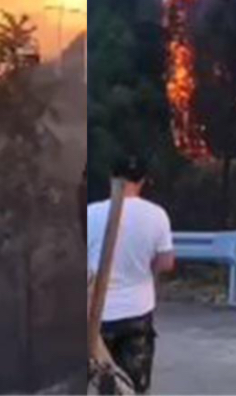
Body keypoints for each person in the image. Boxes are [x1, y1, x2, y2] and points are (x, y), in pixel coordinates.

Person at [87, 156, 175, 394]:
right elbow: (166, 262)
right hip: (136, 314)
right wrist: (146, 270)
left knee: (101, 383)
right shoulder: (157, 215)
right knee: (134, 386)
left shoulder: (91, 213)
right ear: (143, 181)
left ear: (111, 178)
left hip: (97, 317)